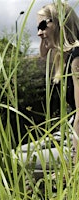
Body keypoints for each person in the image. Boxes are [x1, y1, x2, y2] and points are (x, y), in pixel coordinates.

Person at [37, 3, 79, 160]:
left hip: (75, 135)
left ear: (61, 24)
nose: (39, 33)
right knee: (21, 153)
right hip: (69, 129)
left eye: (43, 25)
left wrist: (75, 162)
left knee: (18, 158)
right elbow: (43, 54)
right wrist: (46, 38)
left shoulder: (77, 58)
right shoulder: (64, 57)